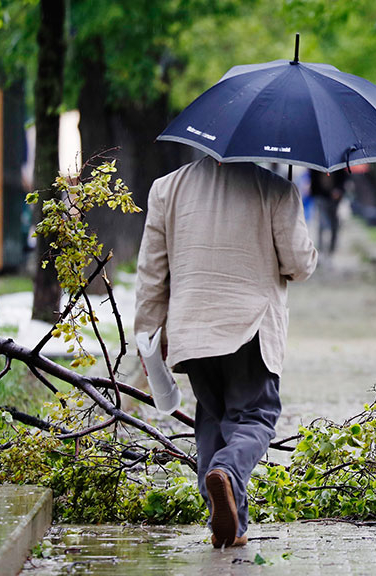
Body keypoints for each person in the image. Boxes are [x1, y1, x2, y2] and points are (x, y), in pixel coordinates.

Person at [134, 156, 317, 548]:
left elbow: (151, 272)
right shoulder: (274, 188)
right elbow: (299, 265)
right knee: (255, 414)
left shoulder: (166, 188)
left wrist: (149, 335)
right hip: (248, 327)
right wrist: (289, 208)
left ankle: (233, 526)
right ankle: (227, 475)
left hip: (190, 329)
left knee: (214, 416)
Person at [309, 170, 348, 255]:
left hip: (335, 198)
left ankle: (331, 248)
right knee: (322, 222)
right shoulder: (316, 165)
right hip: (320, 195)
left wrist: (339, 190)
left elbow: (343, 179)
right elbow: (313, 178)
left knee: (334, 223)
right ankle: (321, 249)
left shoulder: (339, 164)